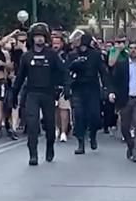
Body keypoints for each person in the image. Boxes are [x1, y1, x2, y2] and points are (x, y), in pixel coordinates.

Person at [12, 22, 68, 166]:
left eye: (42, 36)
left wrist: (66, 87)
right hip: (32, 94)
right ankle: (33, 155)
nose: (39, 39)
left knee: (49, 125)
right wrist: (13, 95)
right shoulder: (26, 56)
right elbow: (19, 77)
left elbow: (63, 71)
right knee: (32, 124)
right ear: (32, 38)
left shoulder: (52, 55)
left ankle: (50, 146)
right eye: (37, 36)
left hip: (48, 93)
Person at [67, 31, 113, 155]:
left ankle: (93, 135)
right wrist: (73, 66)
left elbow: (103, 72)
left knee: (94, 116)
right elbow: (66, 71)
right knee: (79, 115)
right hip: (78, 88)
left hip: (92, 88)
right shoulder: (72, 55)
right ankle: (80, 142)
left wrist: (107, 88)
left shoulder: (95, 55)